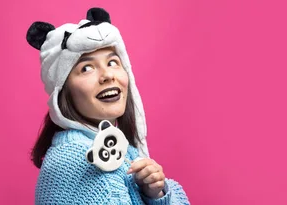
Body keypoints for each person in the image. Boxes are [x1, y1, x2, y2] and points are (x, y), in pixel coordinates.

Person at [26, 7, 190, 204]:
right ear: (63, 91)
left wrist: (154, 195)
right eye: (86, 68)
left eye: (113, 62)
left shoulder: (122, 149)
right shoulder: (74, 160)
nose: (107, 75)